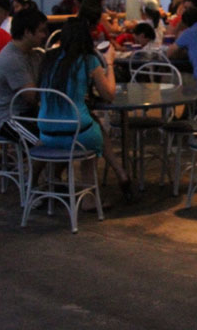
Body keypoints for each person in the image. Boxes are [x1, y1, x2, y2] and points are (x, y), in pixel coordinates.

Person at [38, 17, 131, 202]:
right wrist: (110, 63)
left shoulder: (48, 58)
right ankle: (90, 199)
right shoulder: (88, 60)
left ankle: (54, 180)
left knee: (91, 123)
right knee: (92, 135)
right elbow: (109, 94)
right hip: (76, 134)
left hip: (46, 133)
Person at [0, 8, 48, 137]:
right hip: (6, 118)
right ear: (27, 32)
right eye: (41, 31)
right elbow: (32, 97)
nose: (45, 35)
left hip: (24, 114)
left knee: (56, 132)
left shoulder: (32, 54)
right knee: (44, 141)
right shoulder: (12, 58)